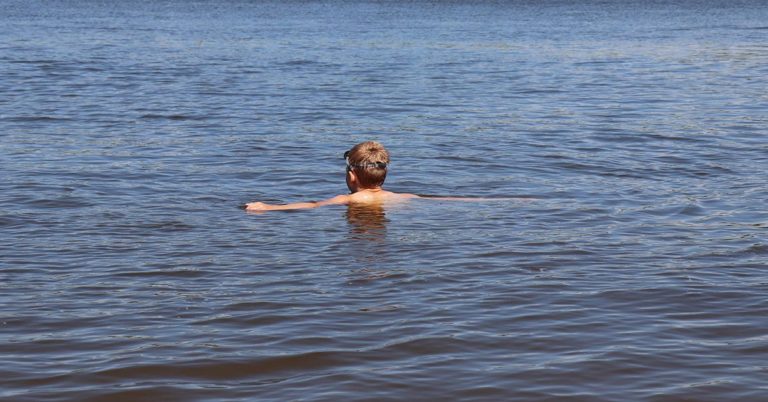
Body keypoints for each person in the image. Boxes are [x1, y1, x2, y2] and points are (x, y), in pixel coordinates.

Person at [245, 141, 418, 212]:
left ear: (351, 176)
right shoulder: (403, 197)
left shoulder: (348, 199)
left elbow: (313, 205)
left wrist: (268, 207)